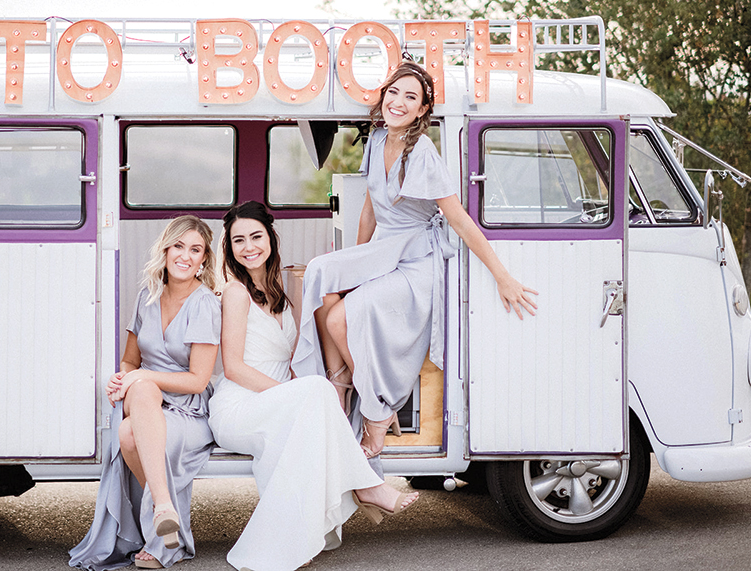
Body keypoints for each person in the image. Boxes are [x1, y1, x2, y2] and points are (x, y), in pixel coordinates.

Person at [291, 61, 538, 462]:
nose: (399, 102)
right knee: (321, 274)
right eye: (394, 93)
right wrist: (357, 262)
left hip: (416, 259)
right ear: (384, 96)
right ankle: (341, 383)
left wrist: (502, 275)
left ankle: (375, 411)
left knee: (338, 319)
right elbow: (370, 206)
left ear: (423, 110)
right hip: (383, 250)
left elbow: (458, 218)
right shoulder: (376, 140)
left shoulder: (421, 152)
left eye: (411, 97)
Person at [208, 201, 419, 571]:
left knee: (315, 398)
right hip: (238, 407)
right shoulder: (236, 292)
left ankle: (298, 538)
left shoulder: (277, 292)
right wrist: (292, 395)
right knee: (318, 390)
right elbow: (234, 368)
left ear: (270, 238)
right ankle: (367, 485)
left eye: (256, 236)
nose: (248, 246)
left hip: (271, 402)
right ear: (229, 248)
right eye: (238, 240)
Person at [70, 216, 221, 570]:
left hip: (189, 410)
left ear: (204, 259)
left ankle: (160, 518)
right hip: (145, 403)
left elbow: (199, 380)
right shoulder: (147, 296)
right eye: (179, 246)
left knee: (128, 432)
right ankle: (165, 512)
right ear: (165, 250)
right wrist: (120, 378)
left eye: (195, 250)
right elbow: (129, 360)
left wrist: (139, 378)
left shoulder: (205, 304)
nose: (185, 256)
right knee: (136, 402)